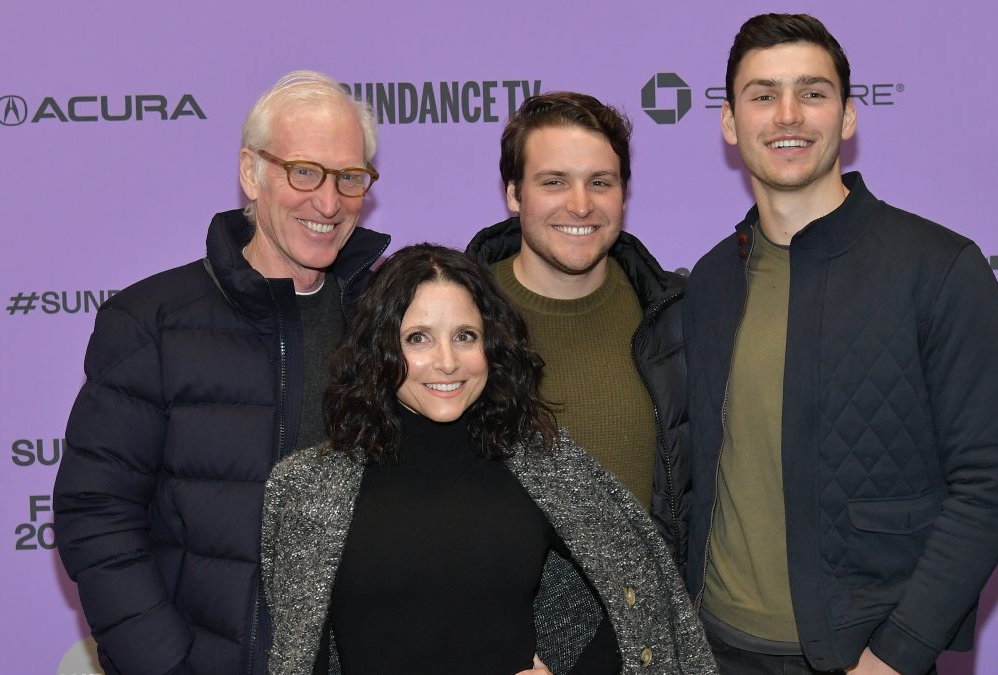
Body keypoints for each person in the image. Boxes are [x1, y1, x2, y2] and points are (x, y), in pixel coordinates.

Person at [682, 13, 998, 675]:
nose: (788, 115)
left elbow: (991, 479)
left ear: (847, 117)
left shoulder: (936, 267)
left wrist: (897, 652)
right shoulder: (710, 280)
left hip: (861, 657)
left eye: (812, 93)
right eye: (762, 95)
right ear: (730, 123)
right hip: (717, 648)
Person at [52, 70, 389, 674]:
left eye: (349, 177)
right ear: (250, 173)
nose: (329, 201)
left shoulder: (390, 321)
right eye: (304, 171)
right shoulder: (153, 321)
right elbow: (97, 512)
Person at [261, 244, 716, 675]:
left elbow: (646, 590)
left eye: (465, 336)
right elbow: (301, 657)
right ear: (380, 349)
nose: (447, 362)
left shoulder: (544, 464)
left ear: (492, 347)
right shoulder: (308, 487)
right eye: (418, 338)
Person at [466, 91, 691, 565]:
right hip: (505, 626)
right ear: (513, 193)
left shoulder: (675, 317)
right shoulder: (457, 320)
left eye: (600, 182)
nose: (581, 205)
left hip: (648, 624)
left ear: (624, 195)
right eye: (554, 182)